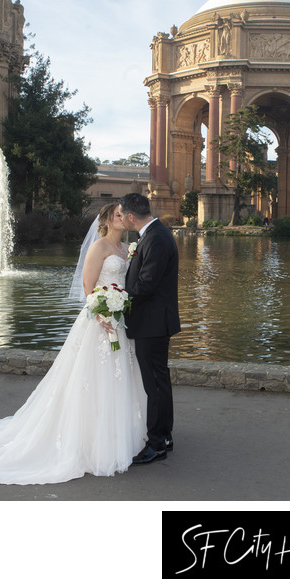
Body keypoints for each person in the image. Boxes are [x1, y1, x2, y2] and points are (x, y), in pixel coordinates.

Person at [0, 203, 147, 485]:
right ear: (108, 220)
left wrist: (118, 309)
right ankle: (87, 442)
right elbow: (88, 288)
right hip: (100, 323)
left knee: (119, 379)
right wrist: (101, 315)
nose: (124, 217)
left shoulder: (126, 249)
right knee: (92, 380)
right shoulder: (99, 248)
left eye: (125, 214)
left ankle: (116, 436)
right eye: (119, 214)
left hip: (119, 322)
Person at [117, 193, 181, 465]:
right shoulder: (155, 234)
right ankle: (164, 435)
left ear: (132, 217)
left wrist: (119, 298)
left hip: (152, 324)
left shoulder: (155, 238)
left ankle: (156, 443)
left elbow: (147, 283)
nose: (121, 219)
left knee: (153, 384)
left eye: (122, 215)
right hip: (155, 322)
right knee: (159, 381)